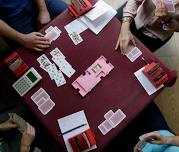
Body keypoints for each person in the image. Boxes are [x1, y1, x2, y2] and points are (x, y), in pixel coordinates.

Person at [0, 0, 68, 52]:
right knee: (35, 50)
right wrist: (23, 39)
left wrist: (43, 10)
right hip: (9, 17)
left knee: (69, 14)